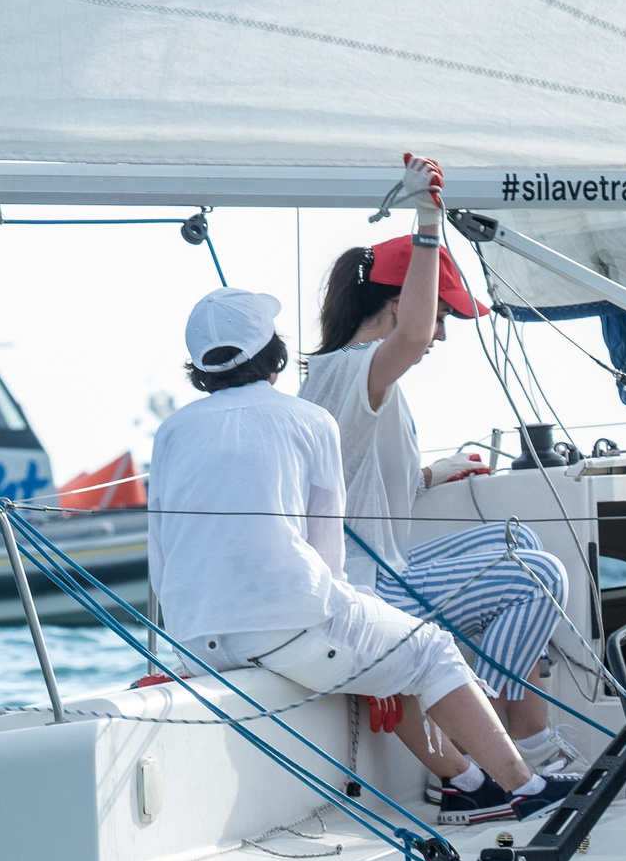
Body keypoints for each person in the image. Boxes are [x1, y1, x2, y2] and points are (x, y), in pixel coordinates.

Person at [146, 284, 577, 826]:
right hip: (288, 628)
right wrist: (363, 643)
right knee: (431, 649)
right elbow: (327, 553)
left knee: (389, 642)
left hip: (195, 639)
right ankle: (526, 787)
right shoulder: (308, 420)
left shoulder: (172, 432)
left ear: (202, 367)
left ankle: (469, 785)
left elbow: (161, 554)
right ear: (273, 354)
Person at [299, 155, 578, 798]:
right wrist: (429, 221)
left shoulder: (350, 379)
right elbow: (415, 335)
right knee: (539, 574)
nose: (442, 335)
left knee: (521, 543)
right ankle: (501, 743)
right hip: (365, 589)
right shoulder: (353, 369)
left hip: (382, 572)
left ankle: (515, 733)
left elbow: (354, 475)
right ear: (400, 308)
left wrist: (431, 472)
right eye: (442, 317)